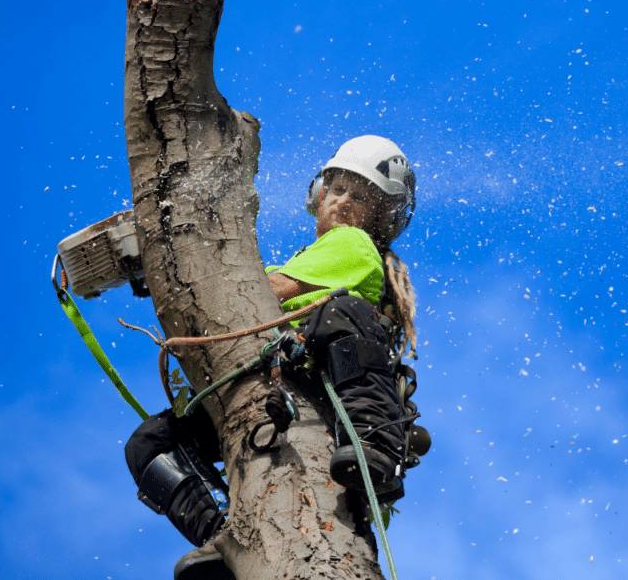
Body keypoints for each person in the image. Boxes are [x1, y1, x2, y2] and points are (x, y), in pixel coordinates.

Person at [124, 135, 422, 580]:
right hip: (280, 385)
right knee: (151, 443)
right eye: (337, 189)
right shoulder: (314, 255)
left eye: (359, 196)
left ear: (380, 216)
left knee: (338, 311)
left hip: (332, 385)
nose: (341, 203)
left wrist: (185, 267)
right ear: (319, 194)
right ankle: (224, 535)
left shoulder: (354, 245)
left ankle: (373, 446)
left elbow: (271, 291)